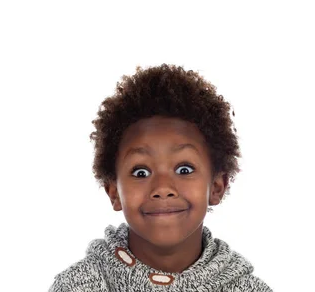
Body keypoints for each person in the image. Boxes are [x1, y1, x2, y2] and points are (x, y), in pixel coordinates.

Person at [49, 64, 272, 291]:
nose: (163, 188)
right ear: (114, 192)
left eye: (184, 169)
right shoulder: (77, 286)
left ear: (216, 187)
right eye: (141, 172)